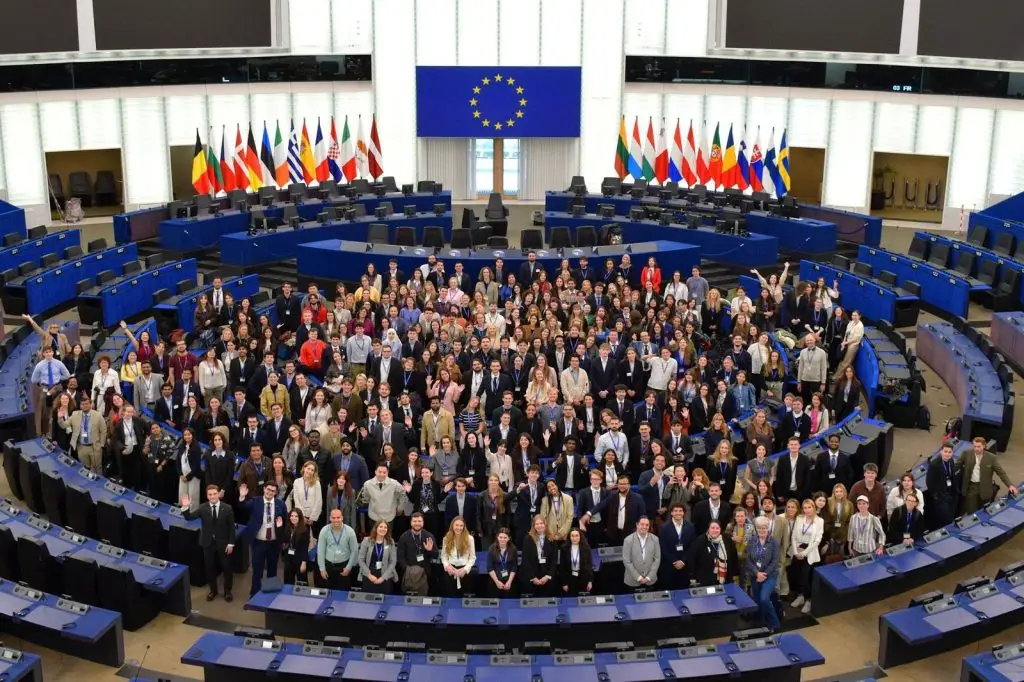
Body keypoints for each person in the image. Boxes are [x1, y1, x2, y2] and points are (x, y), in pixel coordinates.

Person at [181, 484, 236, 602]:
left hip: (224, 544)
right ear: (207, 496)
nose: (212, 496)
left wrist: (231, 543)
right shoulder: (202, 508)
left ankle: (227, 591)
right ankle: (213, 591)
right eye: (210, 494)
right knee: (210, 568)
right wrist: (185, 508)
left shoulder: (227, 508)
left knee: (226, 568)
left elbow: (231, 528)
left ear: (218, 494)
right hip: (207, 544)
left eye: (214, 494)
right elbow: (189, 518)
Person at [238, 480, 288, 596]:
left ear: (276, 493)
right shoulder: (256, 501)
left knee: (272, 570)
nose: (270, 492)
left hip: (274, 543)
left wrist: (283, 539)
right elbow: (243, 506)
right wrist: (242, 497)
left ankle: (269, 595)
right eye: (268, 489)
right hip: (258, 542)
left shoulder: (280, 504)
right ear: (264, 489)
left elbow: (285, 522)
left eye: (273, 491)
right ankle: (255, 594)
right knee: (257, 570)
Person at [579, 474, 646, 546]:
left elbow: (642, 515)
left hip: (630, 533)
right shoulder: (612, 495)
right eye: (620, 484)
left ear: (629, 485)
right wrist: (588, 514)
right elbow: (601, 505)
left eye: (624, 484)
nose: (622, 486)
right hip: (614, 533)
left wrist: (640, 529)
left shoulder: (638, 498)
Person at [960, 437, 1018, 514]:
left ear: (984, 446)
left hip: (985, 489)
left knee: (984, 512)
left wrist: (1010, 485)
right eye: (975, 446)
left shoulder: (991, 458)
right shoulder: (966, 454)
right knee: (971, 513)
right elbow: (957, 466)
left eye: (979, 446)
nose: (976, 449)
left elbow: (1001, 472)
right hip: (971, 488)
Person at [745, 516, 782, 632]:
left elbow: (775, 561)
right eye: (759, 528)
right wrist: (757, 573)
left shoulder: (774, 542)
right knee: (757, 599)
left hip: (769, 575)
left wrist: (763, 574)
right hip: (755, 575)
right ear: (756, 529)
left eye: (764, 528)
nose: (762, 530)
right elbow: (748, 559)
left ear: (768, 528)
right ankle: (760, 621)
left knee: (764, 599)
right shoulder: (751, 541)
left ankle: (774, 624)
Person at [788, 499, 823, 614]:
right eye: (805, 508)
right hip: (797, 548)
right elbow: (793, 537)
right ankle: (800, 596)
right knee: (795, 575)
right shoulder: (799, 518)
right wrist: (796, 550)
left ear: (814, 508)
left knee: (805, 577)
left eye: (809, 507)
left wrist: (804, 553)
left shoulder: (819, 521)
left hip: (810, 551)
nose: (807, 510)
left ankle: (808, 600)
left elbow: (817, 541)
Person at [396, 512, 438, 595]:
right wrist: (408, 570)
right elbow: (400, 557)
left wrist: (430, 550)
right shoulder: (404, 537)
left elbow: (436, 555)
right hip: (408, 574)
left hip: (425, 573)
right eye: (414, 521)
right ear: (410, 522)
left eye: (419, 521)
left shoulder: (429, 536)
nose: (417, 523)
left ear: (423, 523)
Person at [316, 508, 359, 588]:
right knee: (328, 593)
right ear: (330, 518)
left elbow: (354, 551)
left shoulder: (350, 531)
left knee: (342, 594)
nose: (336, 520)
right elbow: (320, 551)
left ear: (342, 518)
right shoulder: (324, 531)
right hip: (328, 567)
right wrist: (322, 569)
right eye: (333, 518)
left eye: (338, 517)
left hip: (344, 567)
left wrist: (349, 567)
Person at [689, 519, 739, 587]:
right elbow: (692, 559)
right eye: (712, 528)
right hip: (705, 580)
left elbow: (734, 558)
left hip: (724, 579)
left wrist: (734, 574)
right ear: (708, 529)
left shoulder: (727, 540)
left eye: (717, 528)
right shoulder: (699, 541)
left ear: (720, 529)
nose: (715, 530)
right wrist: (692, 577)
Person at [659, 502, 696, 589]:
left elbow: (692, 546)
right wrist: (674, 561)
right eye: (675, 511)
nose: (678, 513)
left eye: (680, 511)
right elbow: (663, 547)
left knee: (683, 590)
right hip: (669, 566)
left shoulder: (690, 527)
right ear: (671, 513)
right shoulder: (664, 527)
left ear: (684, 513)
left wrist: (683, 561)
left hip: (684, 566)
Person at [519, 515, 558, 596]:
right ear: (534, 526)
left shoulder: (552, 539)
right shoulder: (528, 539)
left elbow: (554, 560)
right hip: (532, 578)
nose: (539, 526)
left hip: (547, 578)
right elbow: (525, 560)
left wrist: (547, 576)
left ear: (545, 524)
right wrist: (533, 578)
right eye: (537, 524)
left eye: (541, 523)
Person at [926, 443, 962, 529]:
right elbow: (929, 482)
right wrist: (936, 496)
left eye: (950, 452)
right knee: (947, 520)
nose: (947, 454)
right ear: (941, 452)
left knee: (950, 516)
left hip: (951, 494)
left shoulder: (951, 461)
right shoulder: (934, 464)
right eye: (945, 451)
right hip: (941, 497)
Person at [358, 520, 398, 593]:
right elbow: (360, 559)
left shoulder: (390, 541)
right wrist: (369, 575)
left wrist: (383, 578)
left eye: (385, 527)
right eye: (381, 527)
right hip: (369, 575)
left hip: (385, 575)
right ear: (376, 528)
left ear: (387, 530)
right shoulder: (367, 540)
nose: (383, 529)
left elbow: (393, 561)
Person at [440, 516, 476, 597]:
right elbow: (444, 556)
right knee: (451, 596)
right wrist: (447, 566)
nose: (458, 528)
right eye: (456, 525)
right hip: (451, 571)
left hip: (464, 571)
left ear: (464, 527)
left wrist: (465, 569)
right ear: (452, 526)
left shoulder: (470, 539)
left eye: (461, 526)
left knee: (464, 598)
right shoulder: (446, 538)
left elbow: (472, 557)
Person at [70, 395, 106, 474]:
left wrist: (101, 444)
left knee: (97, 468)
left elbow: (103, 431)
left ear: (90, 405)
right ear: (80, 406)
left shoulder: (98, 415)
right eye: (82, 404)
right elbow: (65, 425)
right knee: (85, 468)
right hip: (82, 447)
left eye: (86, 404)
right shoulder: (75, 415)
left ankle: (98, 485)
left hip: (94, 447)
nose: (84, 406)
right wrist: (60, 418)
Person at [176, 427, 203, 511]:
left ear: (192, 435)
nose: (187, 436)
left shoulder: (196, 448)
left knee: (192, 495)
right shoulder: (182, 446)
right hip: (183, 474)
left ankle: (192, 511)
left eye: (189, 435)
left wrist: (188, 477)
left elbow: (196, 466)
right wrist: (180, 474)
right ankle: (184, 509)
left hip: (193, 475)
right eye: (185, 435)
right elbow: (177, 461)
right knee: (183, 493)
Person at [560, 528, 594, 596]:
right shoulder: (564, 548)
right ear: (569, 537)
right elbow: (562, 567)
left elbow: (589, 565)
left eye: (576, 535)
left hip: (583, 578)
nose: (574, 538)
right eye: (572, 536)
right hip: (570, 579)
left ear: (580, 536)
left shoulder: (586, 547)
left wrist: (590, 581)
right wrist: (564, 583)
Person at [282, 509, 311, 585]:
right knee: (288, 581)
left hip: (300, 559)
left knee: (302, 582)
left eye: (296, 516)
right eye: (291, 516)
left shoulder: (304, 530)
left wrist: (304, 563)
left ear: (300, 518)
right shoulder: (288, 527)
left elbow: (305, 548)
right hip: (288, 557)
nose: (293, 518)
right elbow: (284, 541)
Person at [486, 528, 518, 597]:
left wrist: (509, 582)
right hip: (495, 581)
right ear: (497, 537)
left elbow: (514, 566)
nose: (502, 539)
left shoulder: (513, 549)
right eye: (500, 537)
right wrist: (497, 582)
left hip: (509, 581)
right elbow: (489, 567)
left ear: (509, 538)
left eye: (505, 537)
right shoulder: (491, 549)